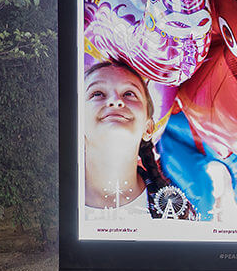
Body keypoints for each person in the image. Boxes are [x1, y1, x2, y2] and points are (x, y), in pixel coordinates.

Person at [81, 59, 195, 219]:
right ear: (77, 122)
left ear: (148, 128)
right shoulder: (50, 199)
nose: (116, 101)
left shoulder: (176, 213)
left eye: (129, 94)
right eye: (97, 94)